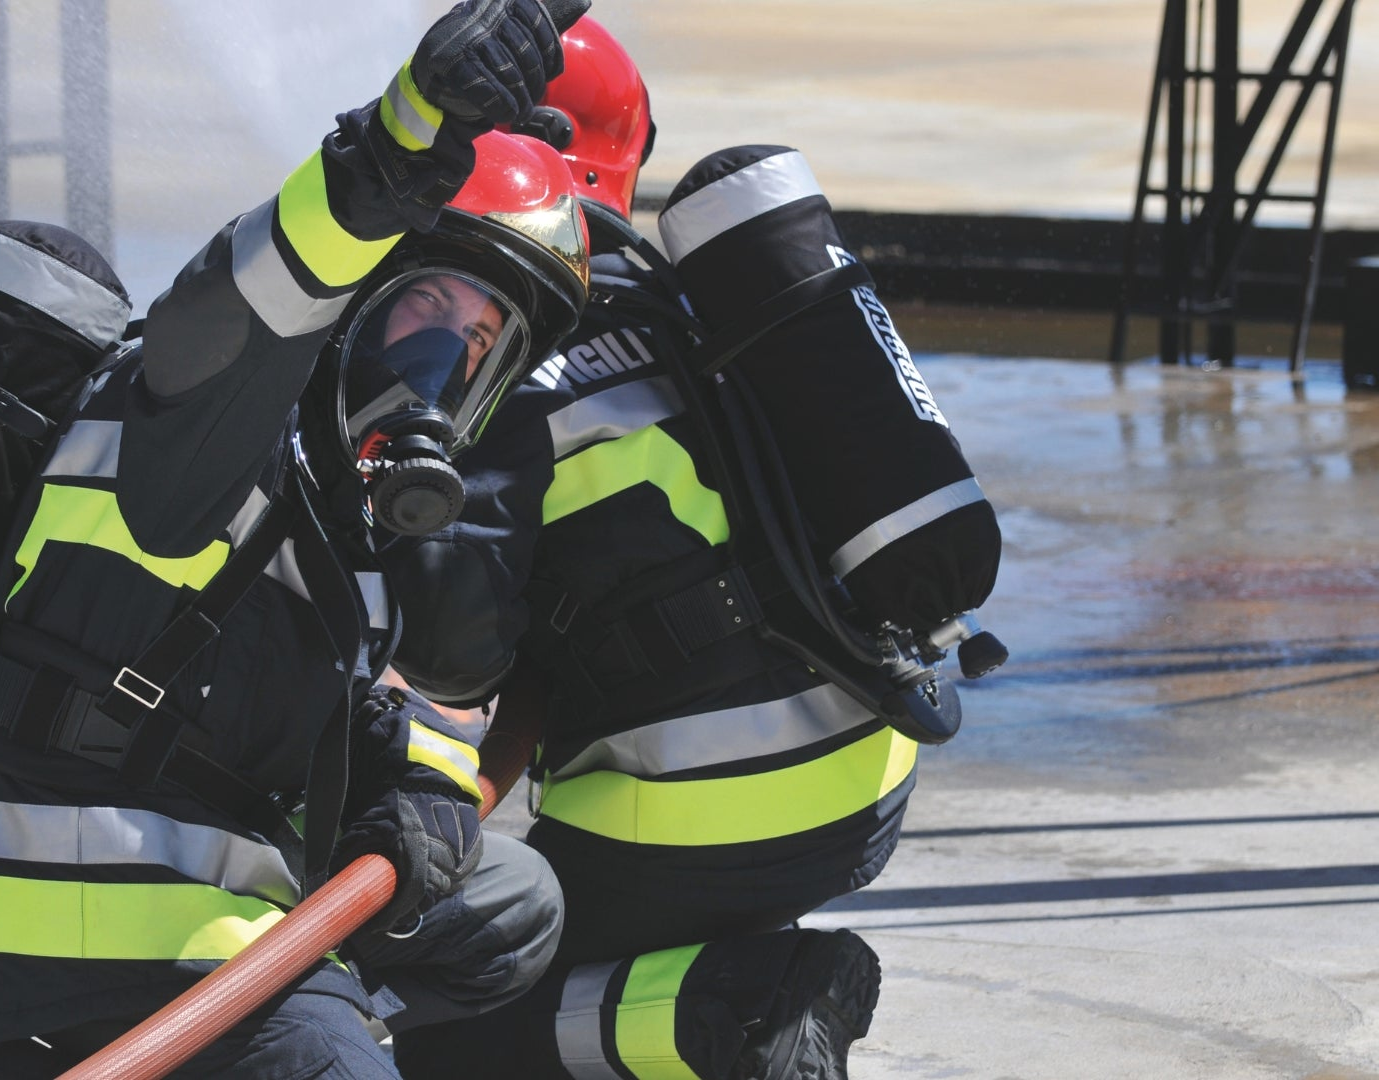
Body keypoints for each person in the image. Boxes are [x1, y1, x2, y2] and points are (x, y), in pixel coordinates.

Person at [0, 2, 595, 1076]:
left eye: (479, 348)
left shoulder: (346, 493)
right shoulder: (210, 410)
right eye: (428, 310)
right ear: (356, 295)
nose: (440, 371)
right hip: (98, 921)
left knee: (511, 904)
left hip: (208, 906)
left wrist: (423, 783)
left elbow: (346, 697)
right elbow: (252, 293)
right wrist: (402, 140)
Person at [381, 16, 1003, 1080]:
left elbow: (451, 635)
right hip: (870, 774)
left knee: (430, 1027)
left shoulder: (498, 356)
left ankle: (736, 1014)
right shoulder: (694, 299)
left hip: (692, 824)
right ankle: (715, 973)